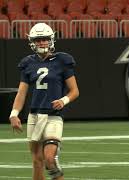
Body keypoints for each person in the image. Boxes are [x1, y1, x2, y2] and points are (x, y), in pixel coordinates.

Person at [9, 23, 79, 180]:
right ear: (32, 42)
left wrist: (63, 100)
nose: (42, 42)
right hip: (34, 116)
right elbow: (22, 92)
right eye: (38, 40)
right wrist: (14, 114)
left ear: (51, 40)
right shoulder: (28, 63)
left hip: (53, 116)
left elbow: (75, 91)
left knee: (49, 158)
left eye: (45, 39)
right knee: (37, 162)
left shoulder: (63, 60)